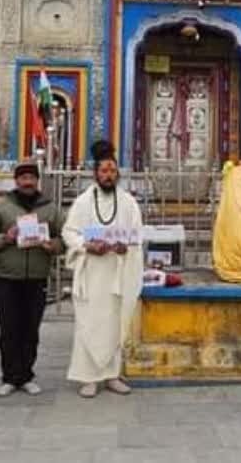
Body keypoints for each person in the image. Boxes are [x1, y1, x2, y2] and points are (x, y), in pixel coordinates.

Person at [62, 140, 145, 398]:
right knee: (89, 323)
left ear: (117, 173)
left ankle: (111, 374)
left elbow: (137, 235)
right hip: (92, 272)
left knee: (114, 323)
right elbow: (69, 231)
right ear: (96, 174)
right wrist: (86, 246)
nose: (108, 175)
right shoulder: (84, 202)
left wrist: (126, 248)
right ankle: (88, 377)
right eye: (103, 171)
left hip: (117, 273)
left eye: (112, 170)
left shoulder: (129, 202)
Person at [0, 159, 64, 397]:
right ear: (16, 181)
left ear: (37, 181)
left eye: (31, 178)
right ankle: (9, 376)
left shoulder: (50, 209)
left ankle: (26, 375)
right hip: (8, 278)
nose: (27, 182)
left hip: (36, 278)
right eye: (23, 178)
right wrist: (6, 238)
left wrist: (52, 245)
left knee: (30, 329)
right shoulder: (1, 207)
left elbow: (65, 238)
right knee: (9, 329)